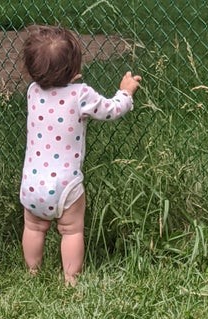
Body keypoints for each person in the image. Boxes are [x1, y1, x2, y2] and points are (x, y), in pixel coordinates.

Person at [20, 25, 141, 285]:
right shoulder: (80, 95)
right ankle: (71, 280)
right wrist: (126, 92)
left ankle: (32, 273)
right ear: (75, 69)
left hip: (32, 184)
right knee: (71, 231)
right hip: (66, 184)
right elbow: (112, 109)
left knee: (34, 228)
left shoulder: (33, 92)